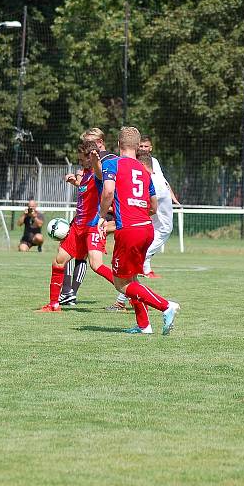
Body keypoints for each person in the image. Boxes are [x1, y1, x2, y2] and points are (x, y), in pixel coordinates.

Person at [98, 126, 180, 335]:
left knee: (120, 283)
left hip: (130, 230)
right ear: (137, 147)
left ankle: (166, 306)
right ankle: (144, 325)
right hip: (146, 228)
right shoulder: (144, 170)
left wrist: (101, 216)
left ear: (118, 144)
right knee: (132, 277)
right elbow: (153, 206)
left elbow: (108, 191)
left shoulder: (112, 163)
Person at [37, 140, 115, 312]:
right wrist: (75, 182)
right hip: (77, 226)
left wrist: (95, 160)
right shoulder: (86, 174)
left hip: (92, 226)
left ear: (91, 158)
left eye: (82, 159)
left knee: (97, 266)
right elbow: (86, 190)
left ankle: (130, 293)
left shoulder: (97, 173)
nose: (80, 162)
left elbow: (99, 174)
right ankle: (53, 305)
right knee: (58, 261)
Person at [58, 127, 118, 304]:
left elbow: (102, 183)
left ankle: (128, 290)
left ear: (99, 143)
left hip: (98, 218)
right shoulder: (86, 169)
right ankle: (66, 294)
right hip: (84, 218)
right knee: (70, 255)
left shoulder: (108, 161)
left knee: (94, 263)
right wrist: (76, 181)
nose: (87, 147)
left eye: (89, 143)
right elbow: (89, 186)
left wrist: (105, 216)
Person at [108, 149, 174, 310]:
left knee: (126, 277)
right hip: (147, 227)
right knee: (132, 273)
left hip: (157, 230)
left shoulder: (151, 180)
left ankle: (164, 306)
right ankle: (141, 321)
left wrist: (111, 222)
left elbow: (146, 207)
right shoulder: (153, 179)